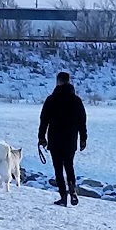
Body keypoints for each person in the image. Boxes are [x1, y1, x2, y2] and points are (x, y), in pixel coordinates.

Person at [38, 72, 87, 207]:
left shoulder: (51, 99)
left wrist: (41, 137)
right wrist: (83, 138)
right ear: (69, 81)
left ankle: (63, 196)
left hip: (55, 138)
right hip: (71, 138)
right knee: (69, 165)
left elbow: (44, 120)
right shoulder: (76, 100)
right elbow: (82, 121)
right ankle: (73, 189)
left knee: (58, 168)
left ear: (58, 81)